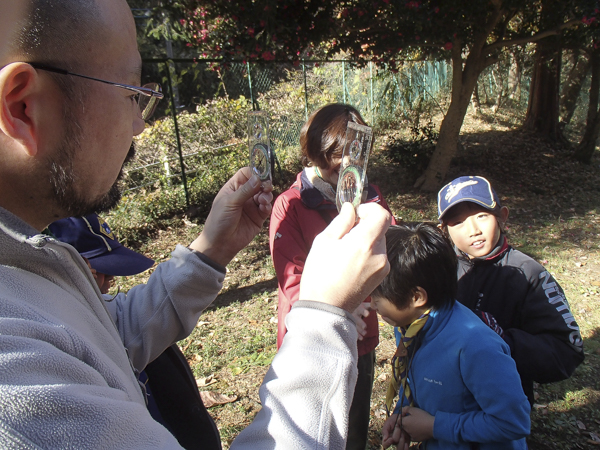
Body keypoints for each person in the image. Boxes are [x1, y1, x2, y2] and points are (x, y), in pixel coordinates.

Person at [0, 1, 392, 449]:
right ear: (24, 107)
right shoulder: (14, 382)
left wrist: (210, 251)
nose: (137, 127)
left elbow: (108, 335)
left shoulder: (25, 263)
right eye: (131, 94)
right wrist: (326, 317)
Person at [269, 103, 395, 449]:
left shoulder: (370, 194)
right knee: (311, 423)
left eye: (355, 151)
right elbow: (291, 278)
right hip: (311, 338)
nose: (345, 163)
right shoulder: (292, 203)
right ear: (316, 152)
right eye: (335, 154)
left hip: (361, 335)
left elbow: (388, 251)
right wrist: (339, 305)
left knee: (352, 424)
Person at [372, 223, 530, 450]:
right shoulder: (409, 327)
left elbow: (513, 423)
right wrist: (402, 417)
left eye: (378, 295)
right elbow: (415, 381)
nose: (372, 303)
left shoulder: (476, 346)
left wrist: (435, 426)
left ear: (417, 297)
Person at [437, 176, 584, 405]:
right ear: (444, 230)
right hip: (440, 403)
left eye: (481, 216)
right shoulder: (437, 270)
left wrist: (503, 340)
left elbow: (566, 352)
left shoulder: (528, 274)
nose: (473, 230)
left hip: (501, 407)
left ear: (502, 217)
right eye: (458, 222)